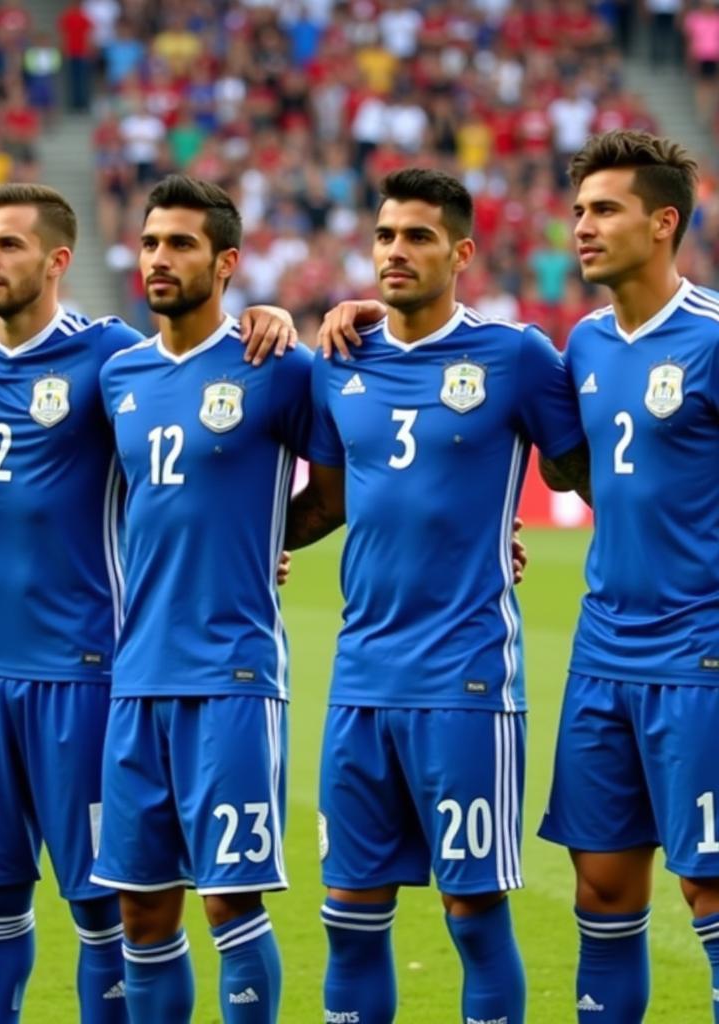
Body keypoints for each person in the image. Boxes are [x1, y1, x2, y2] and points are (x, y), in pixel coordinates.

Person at [0, 181, 298, 1024]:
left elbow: (196, 401)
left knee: (114, 902)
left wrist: (268, 314)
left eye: (7, 245)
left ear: (58, 260)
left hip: (93, 667)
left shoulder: (109, 356)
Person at [284, 167, 589, 1024]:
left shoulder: (517, 357)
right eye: (385, 235)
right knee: (348, 919)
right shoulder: (337, 362)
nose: (395, 251)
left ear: (461, 253)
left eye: (417, 236)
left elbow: (580, 473)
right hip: (357, 682)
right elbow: (325, 505)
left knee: (474, 917)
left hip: (465, 682)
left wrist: (503, 534)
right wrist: (245, 549)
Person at [91, 175, 314, 1024]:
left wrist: (265, 542)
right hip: (136, 675)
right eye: (150, 242)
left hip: (231, 674)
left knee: (230, 902)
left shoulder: (276, 365)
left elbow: (338, 484)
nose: (158, 258)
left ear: (226, 263)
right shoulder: (119, 374)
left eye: (180, 244)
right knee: (141, 909)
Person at [537, 129, 719, 1023]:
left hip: (702, 655)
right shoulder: (584, 347)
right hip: (603, 655)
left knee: (712, 892)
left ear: (663, 223)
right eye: (578, 211)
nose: (583, 227)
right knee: (605, 893)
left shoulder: (714, 339)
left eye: (604, 210)